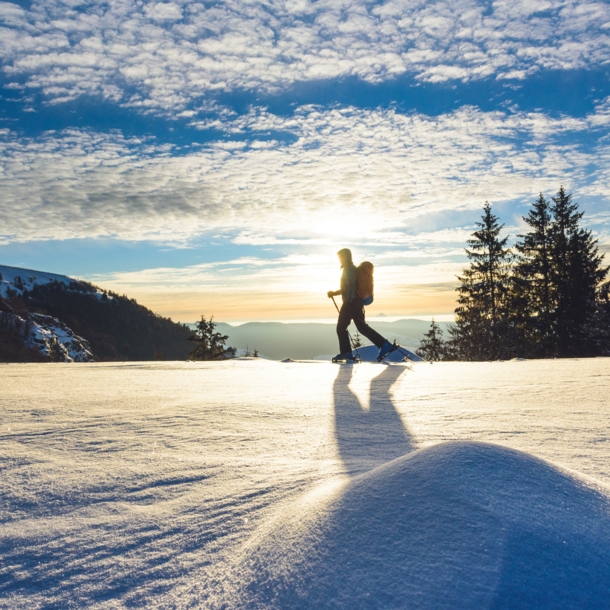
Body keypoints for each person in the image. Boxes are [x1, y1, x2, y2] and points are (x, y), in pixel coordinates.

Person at [327, 248, 393, 361]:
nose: (339, 260)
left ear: (345, 257)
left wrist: (348, 301)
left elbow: (351, 286)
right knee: (362, 327)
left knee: (341, 328)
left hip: (351, 303)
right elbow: (347, 288)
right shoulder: (352, 269)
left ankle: (346, 353)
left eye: (340, 257)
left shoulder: (348, 269)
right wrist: (335, 293)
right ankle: (384, 345)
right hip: (357, 303)